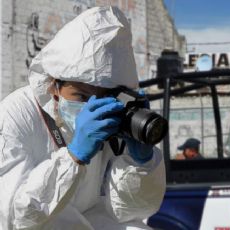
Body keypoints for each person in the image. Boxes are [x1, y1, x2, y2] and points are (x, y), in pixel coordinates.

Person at [0, 6, 165, 230]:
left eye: (103, 96)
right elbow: (14, 219)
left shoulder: (113, 120)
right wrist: (73, 156)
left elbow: (132, 211)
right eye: (82, 96)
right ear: (53, 85)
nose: (94, 107)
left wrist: (140, 164)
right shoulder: (17, 113)